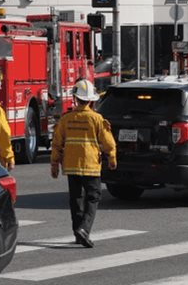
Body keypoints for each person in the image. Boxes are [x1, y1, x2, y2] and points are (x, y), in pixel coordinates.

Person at [50, 79, 117, 248]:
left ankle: (78, 232)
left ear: (75, 99)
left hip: (72, 166)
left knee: (76, 199)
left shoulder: (66, 119)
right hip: (91, 166)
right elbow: (108, 143)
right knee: (93, 197)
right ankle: (85, 229)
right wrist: (112, 158)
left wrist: (54, 165)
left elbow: (57, 143)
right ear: (91, 100)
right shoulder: (97, 119)